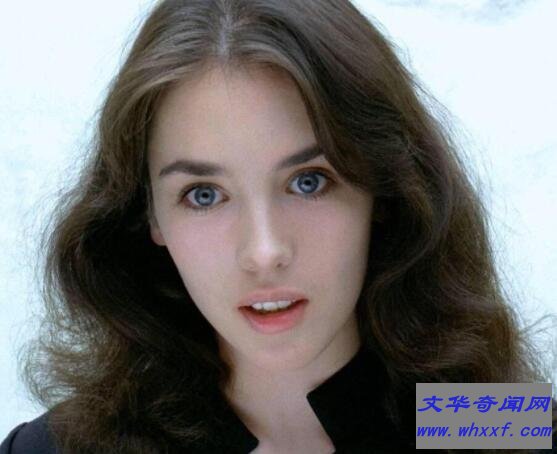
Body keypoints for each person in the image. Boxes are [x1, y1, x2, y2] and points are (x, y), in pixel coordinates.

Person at [1, 0, 555, 453]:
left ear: (385, 189)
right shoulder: (58, 449)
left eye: (308, 182)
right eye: (203, 194)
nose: (264, 252)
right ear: (148, 215)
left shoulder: (497, 426)